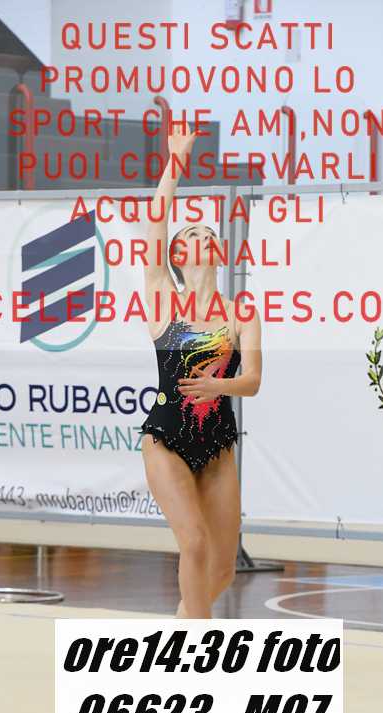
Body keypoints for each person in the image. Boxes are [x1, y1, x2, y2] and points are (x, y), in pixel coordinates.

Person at [140, 120, 262, 619]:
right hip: (167, 438)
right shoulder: (162, 300)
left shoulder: (240, 313)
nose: (203, 236)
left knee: (224, 569)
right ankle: (198, 645)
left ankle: (184, 621)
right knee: (192, 543)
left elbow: (252, 381)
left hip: (217, 445)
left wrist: (219, 383)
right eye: (192, 233)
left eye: (209, 232)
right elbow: (156, 221)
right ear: (177, 254)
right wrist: (177, 159)